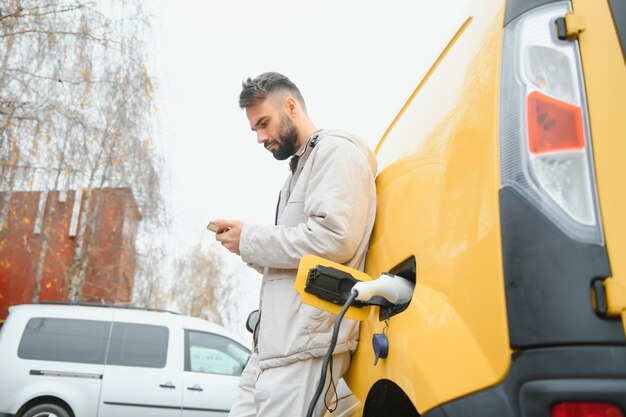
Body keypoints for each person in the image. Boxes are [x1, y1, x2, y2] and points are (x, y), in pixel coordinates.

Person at [211, 72, 377, 417]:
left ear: (290, 106)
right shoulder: (298, 171)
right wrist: (245, 246)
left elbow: (334, 239)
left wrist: (251, 238)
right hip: (272, 349)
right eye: (254, 129)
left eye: (264, 123)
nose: (259, 137)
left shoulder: (335, 152)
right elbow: (300, 257)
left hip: (304, 348)